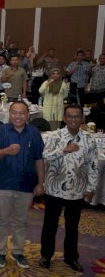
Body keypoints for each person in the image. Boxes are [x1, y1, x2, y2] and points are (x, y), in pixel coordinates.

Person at [39, 105, 98, 272]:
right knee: (50, 225)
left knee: (72, 227)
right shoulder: (54, 136)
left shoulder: (89, 139)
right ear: (64, 118)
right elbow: (45, 155)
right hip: (54, 189)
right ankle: (46, 255)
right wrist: (64, 149)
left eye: (77, 116)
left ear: (82, 119)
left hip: (77, 190)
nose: (73, 120)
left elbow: (93, 165)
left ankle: (71, 257)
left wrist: (91, 187)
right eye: (70, 116)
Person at [0, 101, 45, 269]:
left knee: (21, 221)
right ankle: (0, 252)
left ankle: (17, 252)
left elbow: (39, 159)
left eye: (22, 113)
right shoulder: (1, 131)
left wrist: (41, 183)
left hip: (27, 184)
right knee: (1, 220)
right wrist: (6, 151)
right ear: (9, 114)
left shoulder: (34, 132)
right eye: (14, 112)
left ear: (28, 115)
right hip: (4, 183)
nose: (18, 116)